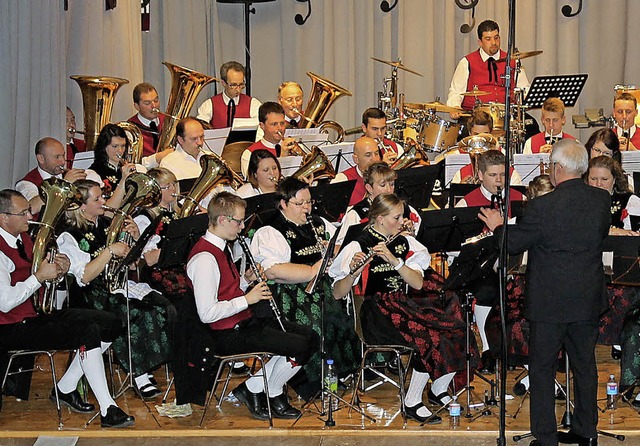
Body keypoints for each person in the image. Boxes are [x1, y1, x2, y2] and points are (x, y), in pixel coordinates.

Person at [479, 138, 610, 446]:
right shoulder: (601, 201)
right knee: (585, 366)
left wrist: (499, 226)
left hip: (550, 302)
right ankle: (587, 432)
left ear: (557, 169)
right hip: (587, 297)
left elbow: (512, 243)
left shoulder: (541, 207)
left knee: (541, 368)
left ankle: (546, 437)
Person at [330, 193, 473, 424]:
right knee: (427, 336)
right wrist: (353, 272)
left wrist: (395, 261)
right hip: (375, 313)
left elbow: (416, 283)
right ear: (380, 219)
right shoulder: (358, 245)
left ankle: (437, 390)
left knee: (456, 328)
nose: (402, 221)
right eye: (397, 217)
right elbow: (338, 292)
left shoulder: (404, 242)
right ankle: (412, 401)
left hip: (403, 305)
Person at [0, 189, 134, 427]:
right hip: (10, 327)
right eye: (23, 213)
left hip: (34, 315)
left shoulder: (27, 238)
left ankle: (66, 387)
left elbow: (43, 277)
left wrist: (59, 269)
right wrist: (40, 276)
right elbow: (6, 302)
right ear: (3, 217)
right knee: (88, 330)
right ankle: (108, 407)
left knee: (111, 322)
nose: (30, 217)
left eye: (28, 212)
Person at [186, 191, 317, 419]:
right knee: (298, 346)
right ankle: (273, 392)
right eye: (238, 222)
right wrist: (248, 299)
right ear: (223, 220)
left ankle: (253, 388)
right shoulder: (205, 258)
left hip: (242, 322)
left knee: (310, 337)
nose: (241, 227)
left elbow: (226, 288)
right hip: (223, 334)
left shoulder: (220, 247)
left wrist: (246, 280)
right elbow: (207, 313)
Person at [58, 180, 174, 400]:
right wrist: (110, 250)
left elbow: (131, 265)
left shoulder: (104, 224)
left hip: (113, 287)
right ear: (80, 206)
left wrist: (134, 239)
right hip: (89, 294)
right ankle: (139, 373)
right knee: (134, 313)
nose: (104, 201)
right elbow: (85, 276)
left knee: (161, 306)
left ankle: (143, 368)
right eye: (97, 199)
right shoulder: (68, 235)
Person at [250, 177, 361, 399]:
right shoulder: (270, 230)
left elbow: (339, 243)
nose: (307, 208)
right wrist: (313, 270)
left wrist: (337, 252)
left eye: (309, 202)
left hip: (318, 290)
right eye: (300, 204)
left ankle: (333, 377)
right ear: (283, 203)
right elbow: (272, 270)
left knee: (338, 319)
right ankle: (309, 384)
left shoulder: (318, 223)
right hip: (287, 293)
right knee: (313, 324)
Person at [455, 150, 525, 373]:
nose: (499, 181)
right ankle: (488, 350)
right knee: (487, 291)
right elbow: (458, 247)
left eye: (503, 175)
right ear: (480, 175)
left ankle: (519, 350)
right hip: (481, 268)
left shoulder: (518, 198)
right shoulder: (467, 203)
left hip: (513, 265)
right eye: (493, 175)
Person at [446, 20, 529, 118]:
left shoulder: (512, 61)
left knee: (532, 127)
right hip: (476, 118)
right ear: (480, 42)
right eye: (488, 39)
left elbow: (525, 89)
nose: (494, 42)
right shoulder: (467, 62)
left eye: (496, 38)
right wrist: (455, 107)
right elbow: (456, 92)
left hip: (506, 116)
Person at [335, 162, 420, 248]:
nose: (389, 190)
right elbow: (340, 247)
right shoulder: (356, 214)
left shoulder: (404, 207)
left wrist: (412, 233)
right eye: (382, 185)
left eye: (392, 184)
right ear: (369, 188)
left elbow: (420, 241)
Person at [15, 137, 100, 215]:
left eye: (63, 155)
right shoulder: (26, 183)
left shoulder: (67, 174)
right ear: (41, 158)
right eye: (57, 157)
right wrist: (64, 184)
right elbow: (32, 208)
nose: (63, 161)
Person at [88, 124, 144, 207]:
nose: (120, 151)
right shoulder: (94, 173)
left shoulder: (126, 168)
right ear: (103, 147)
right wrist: (124, 179)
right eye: (115, 146)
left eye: (123, 146)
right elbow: (105, 209)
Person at [196, 61, 261, 130]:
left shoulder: (253, 104)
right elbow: (199, 129)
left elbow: (261, 130)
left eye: (241, 84)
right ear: (223, 83)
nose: (238, 90)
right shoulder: (209, 104)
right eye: (233, 85)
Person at [240, 102, 296, 178]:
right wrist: (283, 158)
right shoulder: (249, 154)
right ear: (262, 126)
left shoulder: (294, 146)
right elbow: (256, 183)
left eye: (282, 123)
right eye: (274, 124)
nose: (280, 128)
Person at [127, 82, 174, 168]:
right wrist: (156, 158)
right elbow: (132, 163)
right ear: (137, 106)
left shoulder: (168, 121)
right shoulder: (130, 129)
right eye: (147, 103)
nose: (154, 106)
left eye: (156, 101)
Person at [330, 136, 382, 206]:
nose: (375, 159)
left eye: (376, 153)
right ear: (356, 159)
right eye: (368, 155)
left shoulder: (386, 176)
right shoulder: (342, 180)